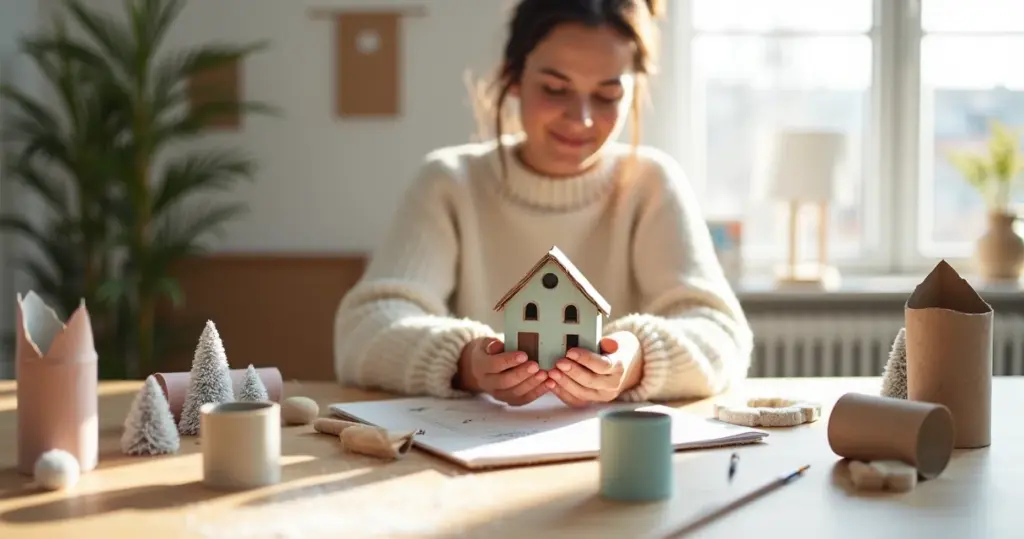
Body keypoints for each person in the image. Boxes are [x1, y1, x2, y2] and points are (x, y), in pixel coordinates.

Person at [333, 0, 753, 407]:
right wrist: (465, 362)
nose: (581, 118)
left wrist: (635, 359)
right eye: (555, 89)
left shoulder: (653, 184)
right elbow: (363, 332)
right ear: (512, 77)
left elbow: (721, 335)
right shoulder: (448, 183)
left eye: (607, 95)